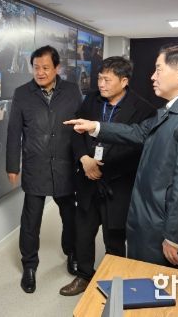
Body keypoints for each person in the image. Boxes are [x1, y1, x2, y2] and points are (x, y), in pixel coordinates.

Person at [64, 45, 178, 274]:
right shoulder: (176, 109)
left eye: (158, 69)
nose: (152, 77)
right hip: (151, 218)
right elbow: (139, 132)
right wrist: (95, 126)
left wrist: (174, 236)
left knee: (159, 287)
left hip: (163, 225)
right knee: (142, 279)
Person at [59, 57, 155, 296]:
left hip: (118, 183)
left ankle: (115, 280)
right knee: (83, 231)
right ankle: (84, 275)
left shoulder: (144, 109)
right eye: (99, 78)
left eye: (107, 80)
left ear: (124, 81)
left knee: (114, 236)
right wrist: (84, 159)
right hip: (87, 178)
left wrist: (103, 167)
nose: (101, 84)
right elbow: (76, 132)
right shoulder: (91, 100)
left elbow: (139, 146)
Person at [6, 45, 82, 294]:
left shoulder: (72, 91)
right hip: (35, 166)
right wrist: (12, 165)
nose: (40, 72)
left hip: (65, 165)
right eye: (36, 67)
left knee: (70, 216)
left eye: (46, 67)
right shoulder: (22, 93)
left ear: (57, 68)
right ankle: (29, 266)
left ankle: (72, 253)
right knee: (31, 220)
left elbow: (81, 127)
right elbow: (14, 132)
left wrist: (85, 158)